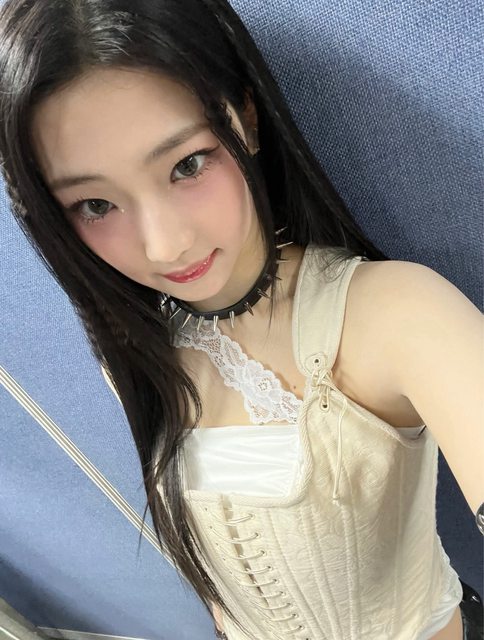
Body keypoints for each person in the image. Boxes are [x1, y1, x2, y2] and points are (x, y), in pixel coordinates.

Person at [0, 1, 482, 638]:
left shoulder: (391, 313)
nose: (164, 246)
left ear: (246, 119)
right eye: (95, 204)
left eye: (187, 164)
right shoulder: (138, 345)